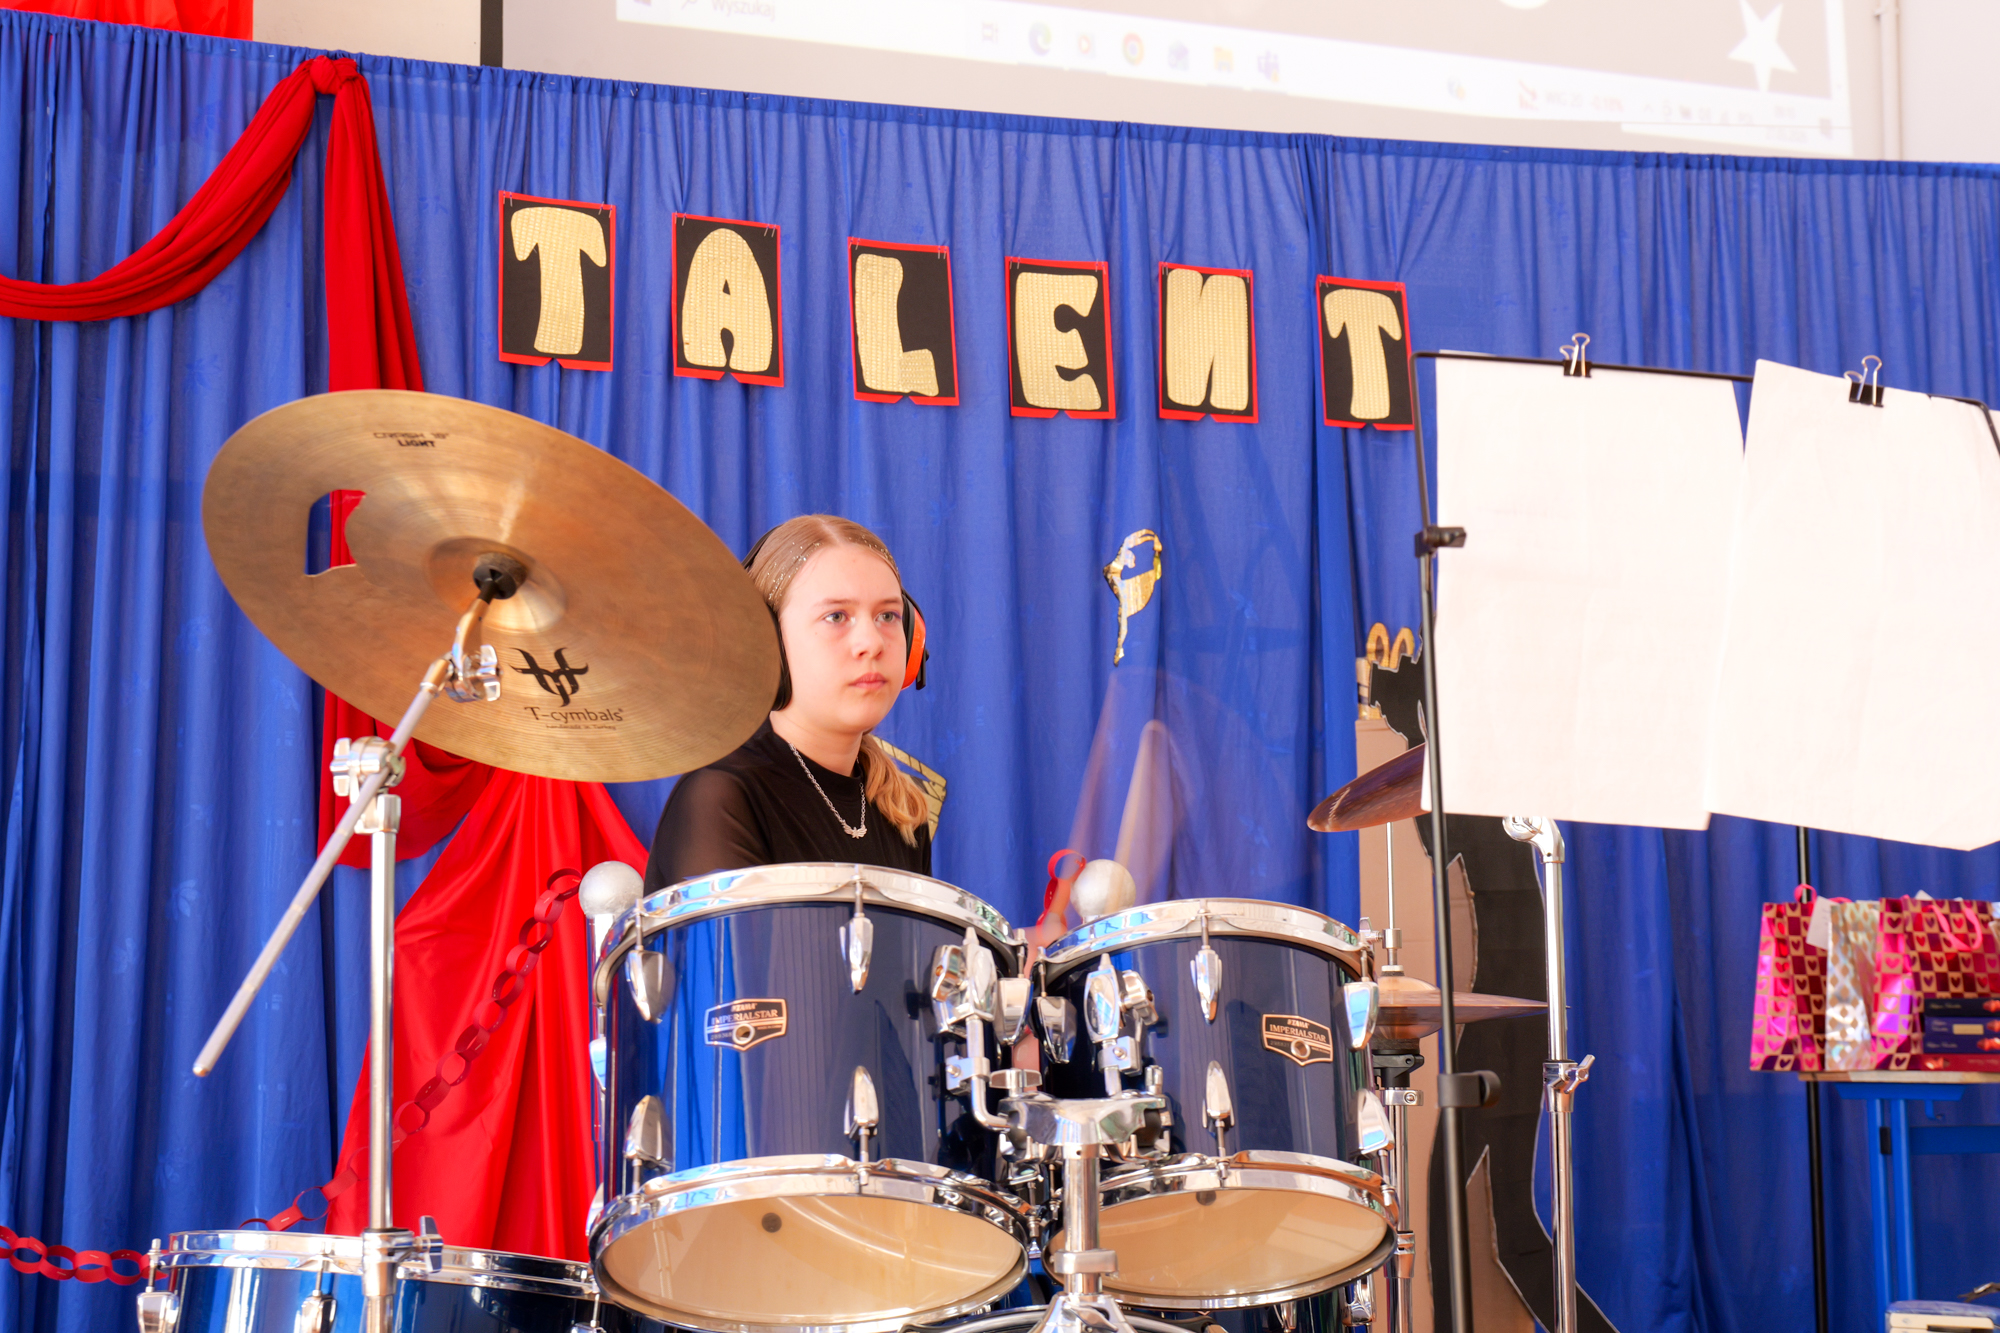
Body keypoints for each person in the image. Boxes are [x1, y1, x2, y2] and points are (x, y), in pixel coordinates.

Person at [644, 514, 933, 890]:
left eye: (888, 616)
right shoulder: (720, 797)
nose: (873, 642)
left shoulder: (903, 811)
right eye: (836, 616)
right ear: (766, 643)